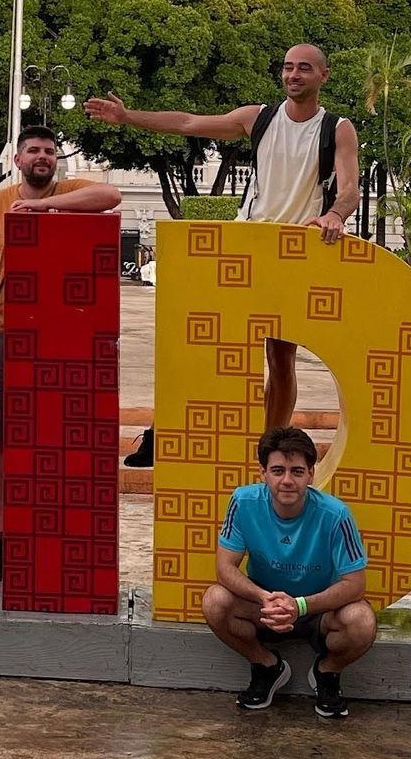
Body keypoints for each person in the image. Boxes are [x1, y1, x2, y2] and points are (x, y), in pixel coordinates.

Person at [88, 43, 362, 448]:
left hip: (293, 251)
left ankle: (270, 444)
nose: (293, 75)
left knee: (280, 357)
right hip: (247, 242)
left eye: (304, 68)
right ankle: (179, 429)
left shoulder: (337, 128)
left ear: (324, 75)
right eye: (287, 67)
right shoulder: (258, 118)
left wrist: (335, 215)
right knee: (205, 336)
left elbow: (350, 188)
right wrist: (129, 117)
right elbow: (187, 123)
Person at [0, 123, 120, 584]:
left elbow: (111, 196)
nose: (42, 157)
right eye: (33, 150)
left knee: (63, 441)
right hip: (6, 333)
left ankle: (56, 536)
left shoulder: (73, 190)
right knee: (3, 440)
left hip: (65, 339)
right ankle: (1, 538)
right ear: (17, 160)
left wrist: (43, 205)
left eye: (49, 151)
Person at [202, 424, 376, 720]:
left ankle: (327, 672)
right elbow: (224, 568)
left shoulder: (336, 514)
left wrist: (300, 606)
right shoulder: (243, 502)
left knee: (361, 621)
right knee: (214, 601)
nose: (287, 481)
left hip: (318, 610)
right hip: (264, 606)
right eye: (278, 470)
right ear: (263, 473)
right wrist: (263, 597)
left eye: (297, 471)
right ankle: (267, 666)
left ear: (311, 474)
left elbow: (355, 585)